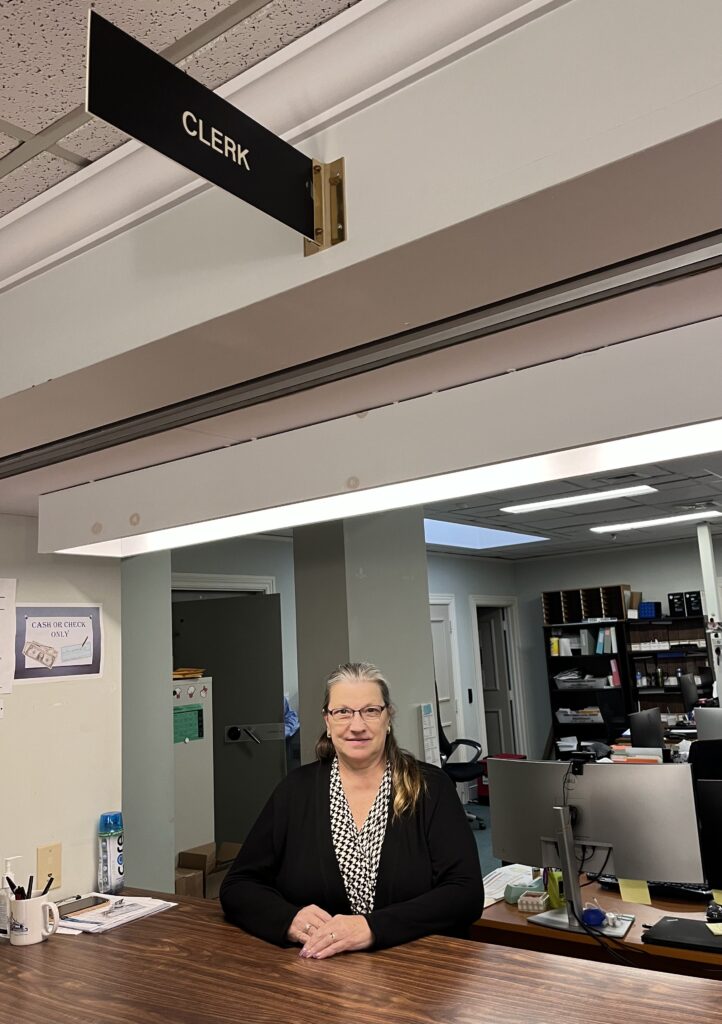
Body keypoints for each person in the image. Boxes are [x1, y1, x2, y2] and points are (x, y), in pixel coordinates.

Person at [220, 662, 484, 958]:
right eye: (343, 712)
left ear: (388, 717)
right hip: (316, 973)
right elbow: (238, 885)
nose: (356, 726)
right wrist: (288, 919)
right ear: (327, 721)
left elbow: (466, 893)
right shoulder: (295, 791)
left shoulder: (430, 787)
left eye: (370, 711)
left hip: (417, 969)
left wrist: (372, 928)